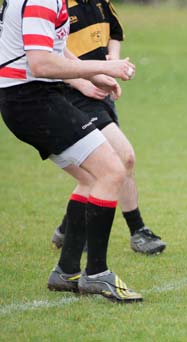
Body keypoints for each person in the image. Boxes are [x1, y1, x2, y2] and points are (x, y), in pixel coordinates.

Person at [0, 0, 142, 302]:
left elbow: (55, 49)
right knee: (112, 170)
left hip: (31, 97)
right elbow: (40, 63)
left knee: (92, 177)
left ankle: (65, 271)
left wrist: (91, 76)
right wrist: (104, 65)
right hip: (30, 99)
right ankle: (97, 273)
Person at [50, 0, 166, 255]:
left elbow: (115, 32)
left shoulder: (100, 2)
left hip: (100, 93)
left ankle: (67, 227)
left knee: (97, 170)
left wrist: (113, 61)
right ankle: (138, 231)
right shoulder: (55, 7)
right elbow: (50, 56)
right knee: (123, 158)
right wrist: (80, 83)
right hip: (74, 95)